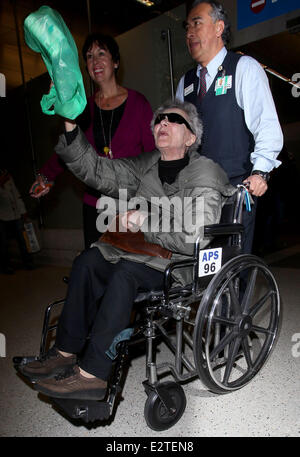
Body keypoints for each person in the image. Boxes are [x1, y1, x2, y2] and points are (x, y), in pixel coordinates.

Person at [21, 99, 236, 401]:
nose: (162, 122)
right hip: (144, 254)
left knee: (124, 275)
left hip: (180, 264)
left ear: (191, 137)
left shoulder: (206, 172)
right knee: (89, 261)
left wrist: (145, 220)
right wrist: (70, 124)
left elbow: (195, 237)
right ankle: (65, 352)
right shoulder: (145, 166)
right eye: (159, 119)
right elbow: (97, 170)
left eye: (174, 119)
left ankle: (92, 374)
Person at [176, 0, 283, 254]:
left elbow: (266, 124)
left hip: (235, 190)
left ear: (218, 27)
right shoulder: (186, 83)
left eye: (197, 23)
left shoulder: (244, 68)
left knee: (232, 268)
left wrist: (261, 171)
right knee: (200, 269)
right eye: (187, 26)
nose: (189, 32)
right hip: (197, 193)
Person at [30, 33, 155, 248]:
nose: (94, 61)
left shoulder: (138, 103)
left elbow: (153, 154)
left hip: (130, 203)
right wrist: (46, 176)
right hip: (95, 204)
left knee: (127, 268)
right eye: (89, 56)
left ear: (115, 62)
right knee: (94, 265)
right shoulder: (81, 107)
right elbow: (71, 148)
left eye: (101, 54)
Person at [0, 168, 34, 274]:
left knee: (23, 239)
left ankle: (28, 262)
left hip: (16, 214)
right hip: (2, 216)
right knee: (3, 243)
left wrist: (23, 211)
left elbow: (16, 194)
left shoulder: (7, 175)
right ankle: (4, 266)